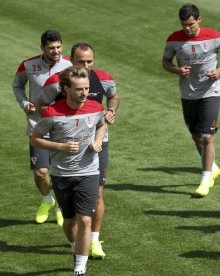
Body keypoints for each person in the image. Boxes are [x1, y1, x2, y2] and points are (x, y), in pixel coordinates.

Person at [39, 43, 119, 259]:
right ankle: (77, 240)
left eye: (89, 61)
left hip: (97, 145)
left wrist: (111, 110)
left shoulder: (103, 78)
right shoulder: (56, 82)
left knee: (98, 195)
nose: (86, 65)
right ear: (71, 61)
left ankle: (94, 240)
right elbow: (42, 105)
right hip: (66, 149)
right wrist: (58, 128)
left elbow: (113, 96)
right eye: (81, 61)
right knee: (70, 213)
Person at [30, 65, 107, 276]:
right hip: (62, 174)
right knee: (70, 220)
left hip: (89, 171)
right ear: (66, 89)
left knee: (84, 219)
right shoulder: (52, 114)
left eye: (86, 88)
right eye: (79, 89)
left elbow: (101, 125)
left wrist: (98, 141)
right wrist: (60, 147)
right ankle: (75, 249)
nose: (84, 93)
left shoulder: (95, 107)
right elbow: (35, 138)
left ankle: (80, 267)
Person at [162, 4, 220, 197]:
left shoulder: (215, 37)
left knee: (207, 136)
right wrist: (177, 70)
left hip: (210, 92)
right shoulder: (173, 40)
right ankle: (212, 166)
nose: (188, 28)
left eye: (191, 24)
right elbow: (166, 62)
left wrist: (219, 71)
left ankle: (205, 179)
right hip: (188, 94)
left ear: (199, 20)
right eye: (184, 25)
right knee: (196, 136)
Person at [12, 30, 72, 226]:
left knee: (62, 171)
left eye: (58, 47)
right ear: (42, 48)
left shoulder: (71, 65)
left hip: (64, 126)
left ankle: (61, 206)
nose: (56, 51)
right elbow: (17, 86)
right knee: (41, 172)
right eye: (51, 48)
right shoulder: (28, 65)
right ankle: (47, 200)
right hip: (37, 125)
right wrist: (24, 103)